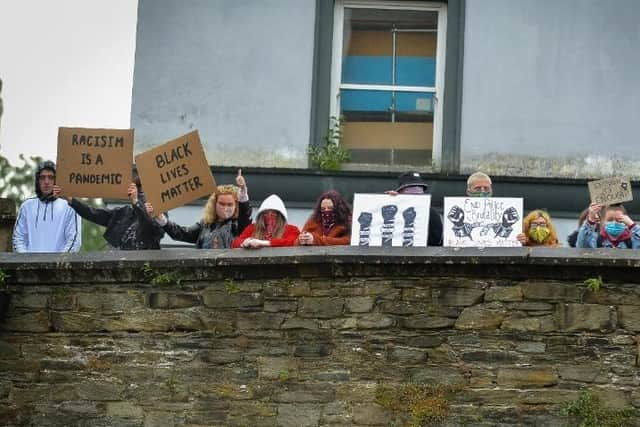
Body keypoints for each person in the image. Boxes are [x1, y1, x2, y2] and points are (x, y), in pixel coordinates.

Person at [56, 174, 164, 250]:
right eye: (139, 190)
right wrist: (71, 200)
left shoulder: (160, 216)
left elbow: (149, 226)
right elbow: (93, 213)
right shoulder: (123, 213)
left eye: (146, 192)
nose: (142, 195)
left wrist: (136, 203)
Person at [150, 170, 251, 249]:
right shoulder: (205, 225)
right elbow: (182, 233)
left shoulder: (238, 225)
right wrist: (161, 219)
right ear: (214, 204)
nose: (225, 208)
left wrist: (243, 191)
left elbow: (245, 214)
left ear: (236, 205)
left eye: (230, 204)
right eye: (221, 204)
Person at [13, 160, 81, 252]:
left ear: (57, 180)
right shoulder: (27, 206)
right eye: (42, 177)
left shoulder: (70, 206)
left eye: (51, 177)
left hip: (58, 265)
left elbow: (74, 241)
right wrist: (27, 261)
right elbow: (18, 239)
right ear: (38, 181)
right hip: (30, 264)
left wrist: (57, 263)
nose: (46, 181)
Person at [387, 171, 443, 246]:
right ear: (400, 192)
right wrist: (386, 201)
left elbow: (436, 241)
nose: (416, 193)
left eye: (420, 189)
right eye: (410, 190)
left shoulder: (432, 213)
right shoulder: (392, 209)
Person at [232, 194, 299, 249]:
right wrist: (244, 243)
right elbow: (235, 243)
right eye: (266, 213)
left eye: (273, 213)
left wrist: (263, 243)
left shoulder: (291, 229)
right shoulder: (253, 227)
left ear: (280, 215)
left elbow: (292, 242)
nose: (269, 216)